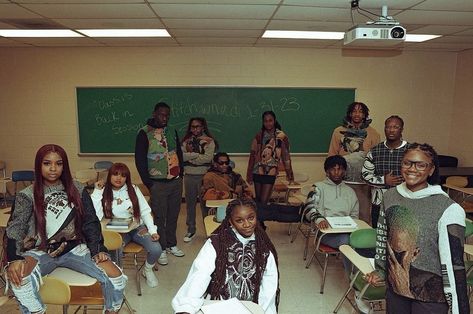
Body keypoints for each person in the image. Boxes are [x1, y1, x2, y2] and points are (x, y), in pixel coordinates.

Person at [5, 144, 127, 314]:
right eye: (47, 163)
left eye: (59, 163)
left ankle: (111, 310)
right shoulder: (26, 194)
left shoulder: (77, 189)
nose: (53, 168)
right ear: (39, 165)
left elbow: (90, 222)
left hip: (74, 248)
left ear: (64, 166)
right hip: (40, 251)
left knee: (115, 276)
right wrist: (14, 259)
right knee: (19, 280)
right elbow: (15, 229)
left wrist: (98, 249)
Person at [366, 143, 469, 314]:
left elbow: (455, 265)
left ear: (431, 169)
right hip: (395, 291)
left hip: (431, 298)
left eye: (421, 165)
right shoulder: (390, 196)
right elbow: (383, 237)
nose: (412, 169)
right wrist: (381, 270)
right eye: (407, 163)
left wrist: (459, 308)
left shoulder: (448, 208)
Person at [171, 198, 279, 314]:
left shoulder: (264, 247)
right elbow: (200, 274)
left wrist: (261, 311)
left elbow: (269, 285)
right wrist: (187, 307)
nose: (247, 224)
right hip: (218, 305)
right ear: (231, 222)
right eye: (239, 220)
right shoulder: (217, 243)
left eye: (251, 218)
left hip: (251, 306)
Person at [91, 162, 162, 288]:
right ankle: (118, 278)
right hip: (116, 231)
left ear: (127, 178)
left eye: (123, 176)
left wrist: (152, 231)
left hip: (136, 228)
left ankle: (148, 269)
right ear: (109, 176)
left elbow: (145, 212)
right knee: (113, 250)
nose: (119, 178)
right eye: (115, 174)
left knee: (156, 249)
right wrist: (97, 192)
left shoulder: (133, 189)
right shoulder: (103, 190)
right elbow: (95, 215)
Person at [135, 101, 184, 266]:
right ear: (155, 114)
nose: (165, 118)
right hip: (157, 183)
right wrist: (149, 184)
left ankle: (171, 244)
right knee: (160, 216)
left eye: (167, 115)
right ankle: (161, 248)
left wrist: (181, 173)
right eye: (162, 115)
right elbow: (140, 160)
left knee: (173, 215)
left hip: (175, 182)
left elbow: (179, 153)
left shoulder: (172, 131)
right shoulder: (144, 133)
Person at [302, 155, 359, 271]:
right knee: (346, 242)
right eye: (333, 169)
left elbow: (355, 216)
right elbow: (308, 209)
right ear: (327, 171)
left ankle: (365, 277)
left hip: (346, 231)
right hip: (325, 233)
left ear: (344, 171)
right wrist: (319, 219)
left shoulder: (350, 192)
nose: (337, 172)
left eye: (340, 169)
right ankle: (353, 278)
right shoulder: (318, 188)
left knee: (362, 241)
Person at [328, 102, 380, 223]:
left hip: (363, 181)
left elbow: (376, 158)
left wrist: (374, 179)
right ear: (350, 114)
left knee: (363, 212)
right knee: (341, 209)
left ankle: (362, 237)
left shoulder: (373, 133)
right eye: (354, 111)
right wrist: (330, 175)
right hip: (342, 178)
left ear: (365, 115)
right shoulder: (338, 131)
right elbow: (332, 154)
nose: (357, 114)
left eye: (360, 111)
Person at [361, 115, 409, 227]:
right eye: (388, 127)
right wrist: (383, 180)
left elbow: (418, 176)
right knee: (378, 235)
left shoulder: (411, 150)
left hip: (404, 203)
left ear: (401, 129)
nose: (391, 130)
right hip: (379, 203)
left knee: (401, 237)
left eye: (395, 127)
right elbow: (364, 175)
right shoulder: (375, 151)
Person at [181, 117, 217, 243]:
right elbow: (182, 156)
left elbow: (207, 158)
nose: (195, 129)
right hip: (189, 176)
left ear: (203, 127)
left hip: (204, 177)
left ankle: (210, 231)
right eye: (193, 127)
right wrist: (196, 155)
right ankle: (191, 230)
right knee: (190, 205)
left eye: (198, 126)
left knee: (205, 205)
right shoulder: (186, 141)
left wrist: (190, 158)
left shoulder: (209, 141)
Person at [247, 111, 294, 204]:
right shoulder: (259, 135)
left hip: (270, 172)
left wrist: (289, 174)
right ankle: (259, 218)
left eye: (270, 120)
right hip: (258, 171)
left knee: (264, 200)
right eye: (265, 121)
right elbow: (252, 155)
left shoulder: (281, 136)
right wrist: (249, 174)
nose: (268, 123)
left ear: (274, 121)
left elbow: (286, 157)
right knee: (258, 200)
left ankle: (262, 217)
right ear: (263, 122)